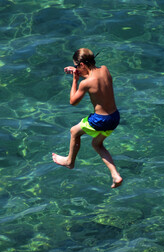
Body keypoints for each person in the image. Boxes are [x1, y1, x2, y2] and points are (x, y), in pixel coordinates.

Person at [52, 48, 123, 188]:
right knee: (97, 144)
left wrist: (75, 79)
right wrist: (77, 71)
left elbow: (73, 101)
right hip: (114, 117)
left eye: (77, 66)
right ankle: (115, 175)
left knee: (74, 131)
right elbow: (95, 80)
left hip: (100, 120)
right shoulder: (105, 69)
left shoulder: (85, 83)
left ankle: (69, 162)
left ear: (82, 65)